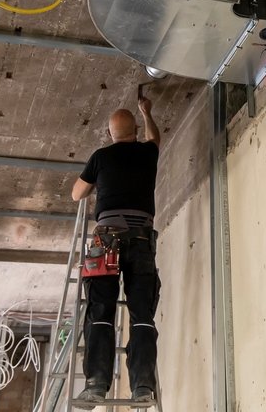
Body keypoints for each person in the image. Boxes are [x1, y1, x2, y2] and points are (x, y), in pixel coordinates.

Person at [70, 96, 162, 409]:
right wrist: (146, 112)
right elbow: (155, 138)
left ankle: (96, 384)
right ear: (134, 130)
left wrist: (98, 179)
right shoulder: (148, 152)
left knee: (101, 310)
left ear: (111, 134)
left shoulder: (101, 156)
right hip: (140, 238)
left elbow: (76, 194)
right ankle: (142, 387)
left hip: (106, 241)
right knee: (141, 313)